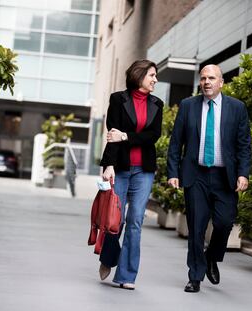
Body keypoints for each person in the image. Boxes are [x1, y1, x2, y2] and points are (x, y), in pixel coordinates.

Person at [167, 64, 251, 293]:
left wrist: (243, 173)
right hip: (197, 176)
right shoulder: (188, 106)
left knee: (224, 223)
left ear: (221, 82)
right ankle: (194, 276)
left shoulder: (237, 108)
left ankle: (211, 257)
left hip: (225, 177)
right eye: (203, 78)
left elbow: (244, 145)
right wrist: (173, 173)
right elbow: (176, 143)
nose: (206, 82)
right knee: (196, 228)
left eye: (211, 78)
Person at [99, 59, 163, 290]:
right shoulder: (118, 99)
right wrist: (108, 166)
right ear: (139, 75)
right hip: (121, 168)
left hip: (143, 170)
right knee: (116, 220)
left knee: (135, 221)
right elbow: (112, 133)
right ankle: (108, 259)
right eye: (152, 75)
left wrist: (126, 137)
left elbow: (152, 136)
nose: (155, 79)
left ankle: (127, 275)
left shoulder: (157, 103)